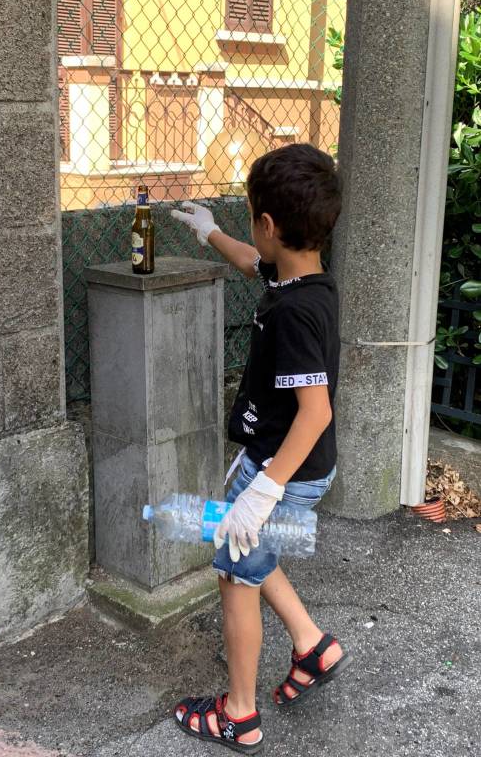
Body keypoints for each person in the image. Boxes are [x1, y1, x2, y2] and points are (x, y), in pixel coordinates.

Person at [169, 143, 352, 754]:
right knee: (253, 554)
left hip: (279, 468)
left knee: (235, 575)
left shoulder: (298, 313)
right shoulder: (306, 280)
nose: (252, 233)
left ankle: (238, 715)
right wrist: (213, 234)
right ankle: (312, 644)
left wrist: (262, 492)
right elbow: (256, 264)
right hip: (288, 466)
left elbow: (316, 410)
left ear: (270, 224)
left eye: (249, 217)